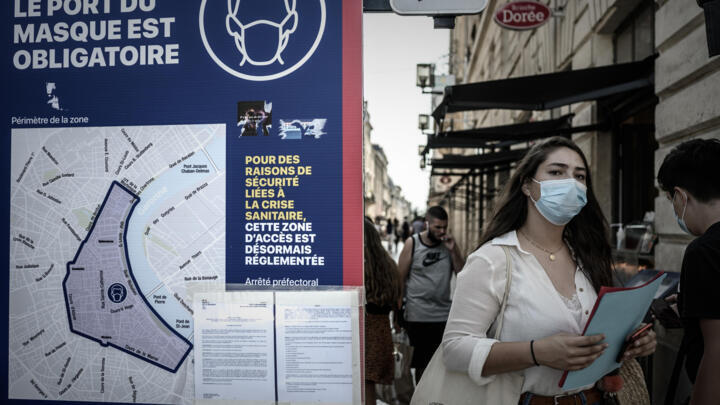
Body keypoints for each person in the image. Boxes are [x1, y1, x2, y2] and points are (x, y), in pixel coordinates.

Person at [440, 136, 657, 404]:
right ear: (528, 186)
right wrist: (536, 352)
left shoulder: (588, 256)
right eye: (556, 172)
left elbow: (598, 334)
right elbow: (454, 348)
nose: (571, 183)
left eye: (580, 176)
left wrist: (631, 341)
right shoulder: (492, 260)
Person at [657, 138, 720, 405]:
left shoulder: (703, 251)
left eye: (671, 199)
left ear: (681, 196)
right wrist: (691, 312)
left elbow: (716, 350)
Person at [397, 206, 465, 383]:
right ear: (427, 224)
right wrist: (397, 314)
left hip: (442, 315)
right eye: (437, 227)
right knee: (422, 366)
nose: (442, 231)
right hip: (418, 314)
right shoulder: (413, 243)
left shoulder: (448, 245)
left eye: (444, 227)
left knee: (441, 365)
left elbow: (463, 274)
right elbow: (400, 279)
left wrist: (453, 249)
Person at [363, 218, 402, 405]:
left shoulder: (359, 267)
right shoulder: (389, 264)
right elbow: (398, 300)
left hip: (364, 329)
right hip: (381, 330)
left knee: (362, 382)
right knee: (368, 383)